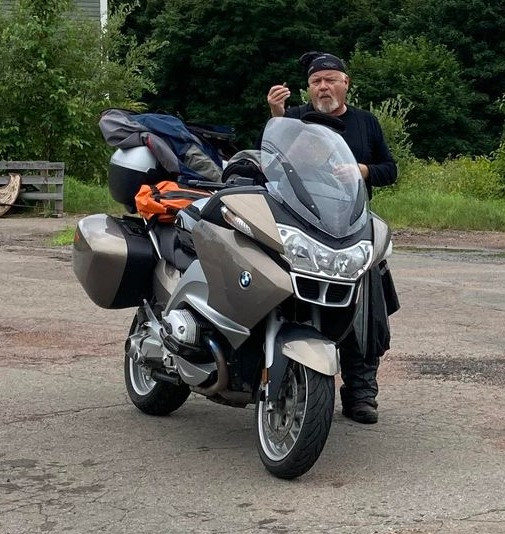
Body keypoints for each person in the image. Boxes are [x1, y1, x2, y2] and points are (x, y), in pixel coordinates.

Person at [266, 51, 400, 424]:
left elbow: (390, 170)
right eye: (316, 81)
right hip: (299, 224)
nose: (323, 87)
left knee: (366, 311)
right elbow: (273, 164)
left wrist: (363, 170)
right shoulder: (292, 120)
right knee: (286, 295)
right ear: (308, 88)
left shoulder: (365, 122)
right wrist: (277, 117)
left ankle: (361, 392)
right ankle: (281, 375)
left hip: (352, 227)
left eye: (330, 79)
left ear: (346, 83)